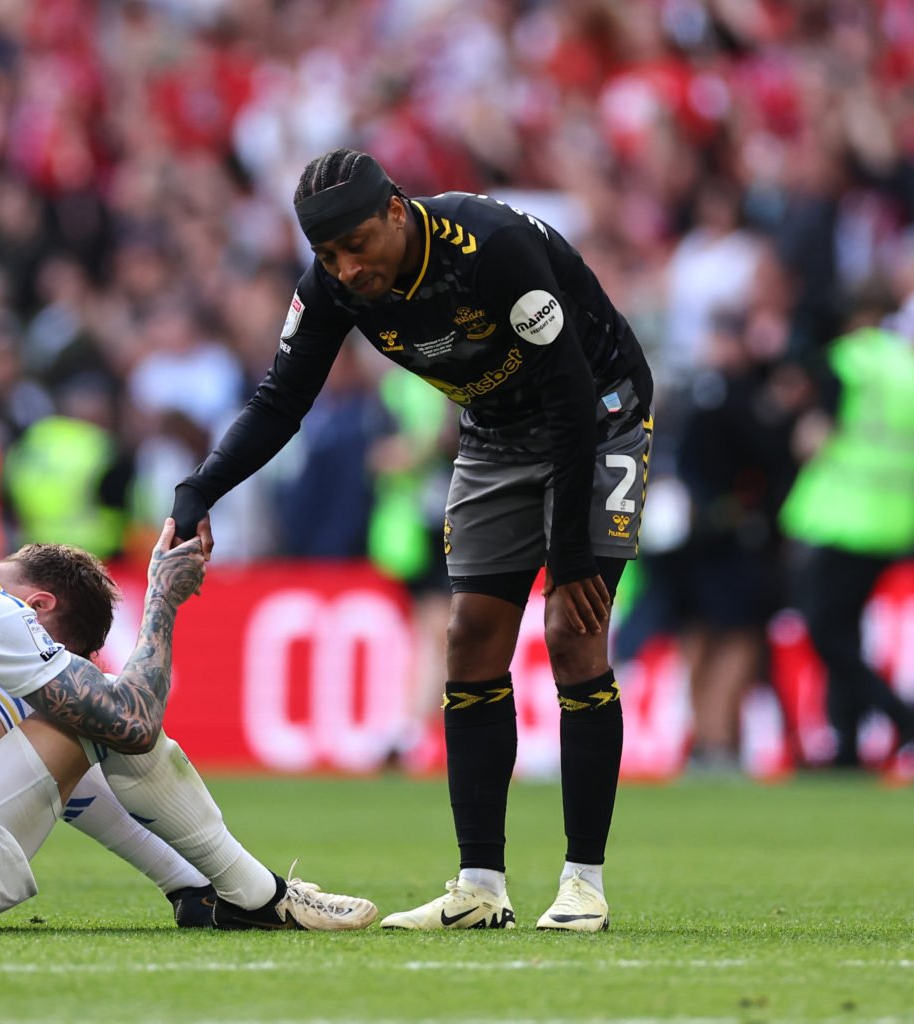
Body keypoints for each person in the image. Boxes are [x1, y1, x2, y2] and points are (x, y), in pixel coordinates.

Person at [170, 149, 655, 932]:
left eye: (357, 244)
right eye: (328, 255)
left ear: (397, 211)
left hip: (599, 416)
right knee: (468, 642)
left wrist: (567, 553)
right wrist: (200, 489)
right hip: (496, 431)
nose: (347, 268)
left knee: (572, 631)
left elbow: (568, 389)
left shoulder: (491, 247)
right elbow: (282, 398)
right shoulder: (332, 287)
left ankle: (584, 884)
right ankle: (480, 889)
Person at [0, 522, 377, 931]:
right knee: (90, 717)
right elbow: (132, 724)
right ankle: (259, 896)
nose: (43, 656)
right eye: (50, 644)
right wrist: (161, 598)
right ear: (38, 606)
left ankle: (195, 887)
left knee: (31, 710)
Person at [779, 292, 914, 771]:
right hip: (900, 517)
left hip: (842, 515)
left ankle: (902, 713)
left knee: (826, 630)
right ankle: (847, 746)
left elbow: (816, 436)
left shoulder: (850, 360)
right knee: (845, 629)